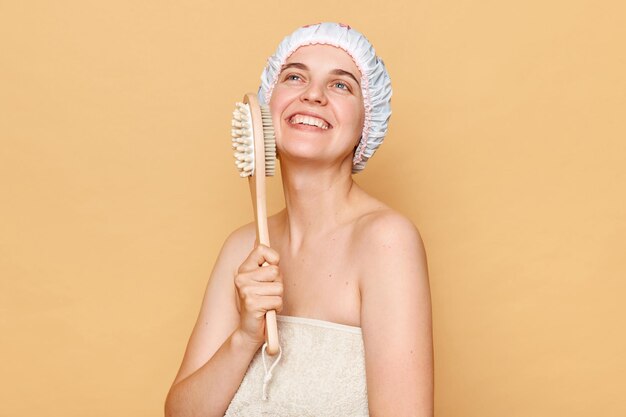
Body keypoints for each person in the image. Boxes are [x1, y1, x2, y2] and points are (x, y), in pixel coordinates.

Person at [164, 22, 433, 417]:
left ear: (367, 122)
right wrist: (243, 336)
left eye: (340, 85)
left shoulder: (386, 241)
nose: (313, 95)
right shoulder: (242, 247)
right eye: (294, 77)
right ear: (267, 105)